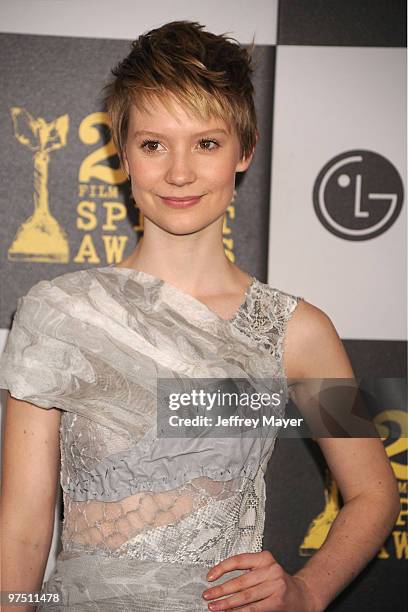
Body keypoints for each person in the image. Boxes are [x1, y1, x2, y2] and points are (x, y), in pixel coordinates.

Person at [1, 20, 399, 612]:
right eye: (154, 144)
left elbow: (373, 493)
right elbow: (24, 530)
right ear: (122, 153)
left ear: (246, 150)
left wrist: (307, 592)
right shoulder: (60, 315)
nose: (179, 172)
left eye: (206, 143)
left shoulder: (296, 330)